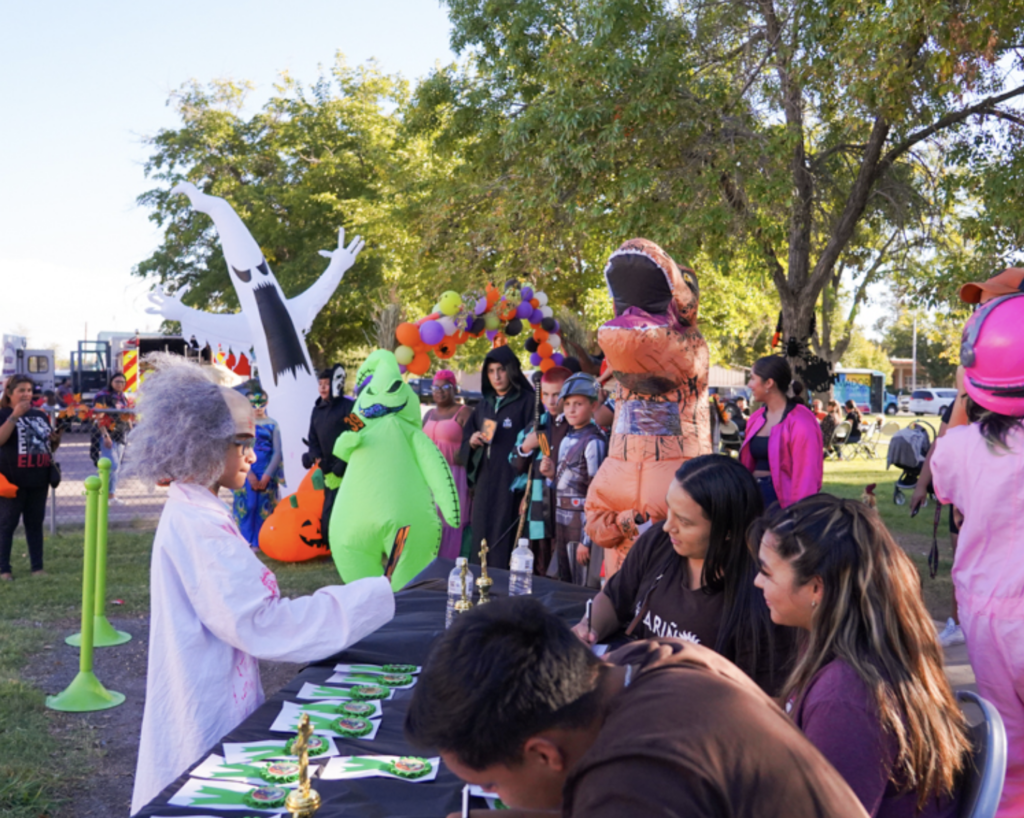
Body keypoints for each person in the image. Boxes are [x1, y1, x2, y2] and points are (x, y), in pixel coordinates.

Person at [125, 355, 394, 814]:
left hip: (210, 684)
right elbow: (262, 623)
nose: (252, 455)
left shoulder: (199, 509)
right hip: (205, 704)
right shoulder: (199, 525)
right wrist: (373, 594)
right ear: (203, 443)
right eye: (241, 443)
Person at [406, 598, 868, 818]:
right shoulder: (636, 661)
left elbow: (635, 791)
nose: (495, 801)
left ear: (545, 754)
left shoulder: (637, 777)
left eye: (489, 786)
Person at [752, 494, 968, 817]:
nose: (756, 581)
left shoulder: (846, 698)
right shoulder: (846, 645)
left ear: (816, 588)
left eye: (767, 573)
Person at [572, 454, 794, 693]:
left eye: (685, 522)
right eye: (669, 511)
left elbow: (762, 699)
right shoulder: (659, 542)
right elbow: (616, 598)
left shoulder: (759, 598)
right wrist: (588, 627)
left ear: (727, 530)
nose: (668, 526)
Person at [929, 291, 1024, 816]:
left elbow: (945, 481)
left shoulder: (960, 448)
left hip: (988, 619)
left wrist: (968, 398)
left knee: (1005, 756)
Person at [910, 268, 1024, 647]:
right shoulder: (972, 374)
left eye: (990, 300)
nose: (980, 311)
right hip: (975, 489)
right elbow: (947, 438)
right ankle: (959, 622)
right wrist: (924, 483)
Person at [459, 346, 534, 568]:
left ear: (511, 370)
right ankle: (480, 586)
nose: (497, 376)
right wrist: (472, 443)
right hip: (484, 484)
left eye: (501, 370)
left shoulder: (528, 403)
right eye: (491, 371)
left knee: (505, 540)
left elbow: (538, 445)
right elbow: (465, 446)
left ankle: (502, 590)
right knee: (481, 536)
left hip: (511, 486)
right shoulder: (483, 406)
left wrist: (527, 489)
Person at [510, 366, 572, 576]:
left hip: (568, 515)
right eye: (546, 394)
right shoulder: (538, 425)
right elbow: (513, 461)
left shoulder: (578, 426)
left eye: (557, 394)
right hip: (538, 513)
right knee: (538, 570)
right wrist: (526, 447)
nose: (551, 400)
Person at [546, 373, 607, 586]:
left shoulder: (594, 442)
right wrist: (551, 474)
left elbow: (597, 493)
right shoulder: (566, 438)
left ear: (593, 405)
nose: (571, 409)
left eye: (578, 404)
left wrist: (587, 540)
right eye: (568, 403)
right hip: (562, 521)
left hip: (581, 523)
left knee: (581, 585)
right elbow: (562, 485)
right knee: (563, 580)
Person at [0, 375, 61, 580]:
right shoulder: (3, 414)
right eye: (21, 390)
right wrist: (14, 416)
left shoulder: (40, 415)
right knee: (6, 524)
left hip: (38, 478)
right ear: (9, 393)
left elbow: (48, 446)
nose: (27, 394)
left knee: (35, 524)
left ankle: (37, 567)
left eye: (29, 390)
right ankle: (4, 570)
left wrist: (55, 441)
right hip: (12, 481)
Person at [740, 356, 823, 507]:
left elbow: (806, 475)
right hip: (752, 497)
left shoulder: (801, 421)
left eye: (752, 378)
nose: (749, 384)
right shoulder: (755, 418)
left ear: (769, 383)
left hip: (782, 502)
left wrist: (799, 514)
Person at [422, 370, 473, 559]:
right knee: (430, 520)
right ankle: (428, 564)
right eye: (436, 387)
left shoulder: (464, 412)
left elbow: (475, 446)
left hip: (455, 476)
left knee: (450, 521)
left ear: (454, 389)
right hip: (429, 478)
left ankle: (450, 566)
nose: (440, 391)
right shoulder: (428, 414)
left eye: (445, 387)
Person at [303, 364, 351, 546]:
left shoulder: (347, 407)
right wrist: (314, 456)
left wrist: (344, 461)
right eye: (320, 383)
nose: (322, 387)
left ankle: (347, 542)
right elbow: (312, 438)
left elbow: (358, 433)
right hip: (328, 470)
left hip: (349, 468)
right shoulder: (317, 410)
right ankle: (329, 543)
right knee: (329, 505)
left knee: (347, 505)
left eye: (326, 383)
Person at [232, 389, 283, 549]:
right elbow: (240, 449)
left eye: (261, 403)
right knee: (248, 505)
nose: (257, 407)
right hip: (247, 470)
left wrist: (267, 475)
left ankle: (260, 542)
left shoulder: (273, 424)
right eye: (253, 404)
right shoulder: (242, 425)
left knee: (263, 506)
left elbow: (277, 451)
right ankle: (244, 540)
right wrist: (249, 474)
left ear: (267, 403)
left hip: (267, 471)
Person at [91, 373, 133, 503]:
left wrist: (132, 432)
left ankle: (111, 496)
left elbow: (128, 416)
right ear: (111, 382)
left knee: (117, 467)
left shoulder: (123, 397)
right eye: (117, 381)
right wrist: (105, 436)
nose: (120, 384)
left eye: (122, 382)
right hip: (107, 433)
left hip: (121, 434)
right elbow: (98, 417)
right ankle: (100, 494)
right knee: (111, 465)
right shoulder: (102, 396)